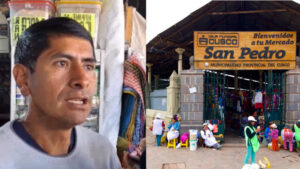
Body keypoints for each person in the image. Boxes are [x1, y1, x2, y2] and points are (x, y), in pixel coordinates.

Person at [0, 18, 121, 169]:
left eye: (88, 66)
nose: (82, 80)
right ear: (23, 78)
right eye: (62, 63)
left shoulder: (102, 152)